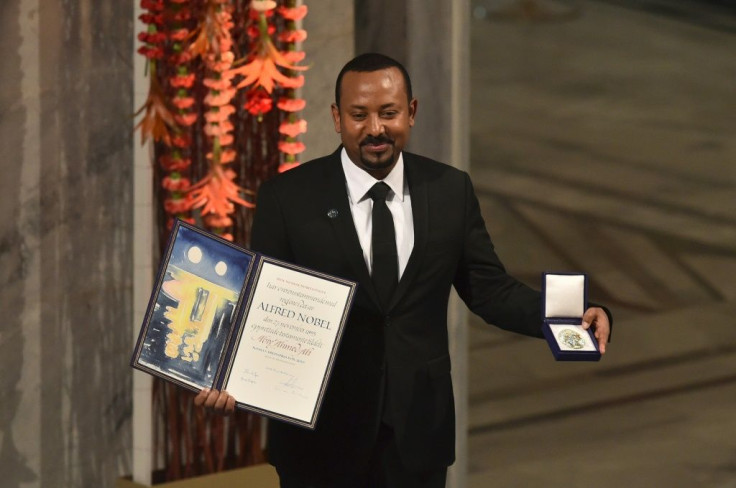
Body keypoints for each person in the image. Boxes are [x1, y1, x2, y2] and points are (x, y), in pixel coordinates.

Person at [195, 52, 611, 487]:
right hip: (318, 440)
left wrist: (567, 316)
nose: (375, 129)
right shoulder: (288, 198)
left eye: (388, 113)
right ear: (337, 118)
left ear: (411, 113)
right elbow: (261, 304)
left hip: (417, 438)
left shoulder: (450, 190)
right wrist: (224, 374)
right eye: (359, 115)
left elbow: (489, 289)